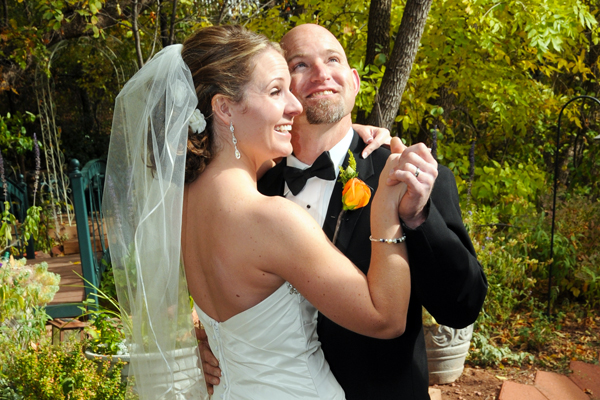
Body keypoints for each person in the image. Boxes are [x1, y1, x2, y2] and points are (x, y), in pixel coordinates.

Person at [104, 25, 416, 400]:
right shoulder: (271, 220)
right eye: (275, 91)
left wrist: (349, 132)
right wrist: (384, 210)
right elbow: (385, 319)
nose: (295, 105)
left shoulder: (179, 207)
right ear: (223, 108)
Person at [199, 24, 488, 400]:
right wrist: (213, 344)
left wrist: (418, 218)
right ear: (282, 90)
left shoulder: (411, 176)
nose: (321, 74)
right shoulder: (252, 190)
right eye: (300, 65)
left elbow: (462, 308)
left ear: (353, 82)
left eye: (332, 59)